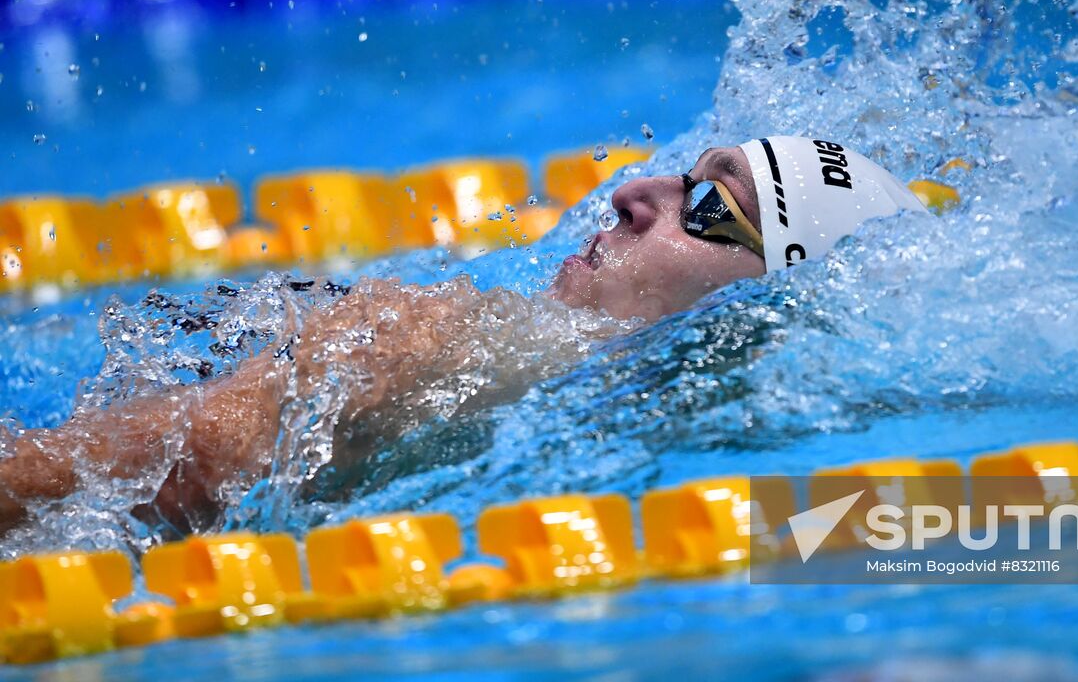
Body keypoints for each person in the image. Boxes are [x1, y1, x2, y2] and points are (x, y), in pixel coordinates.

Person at [0, 137, 926, 535]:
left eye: (711, 204)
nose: (637, 194)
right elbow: (98, 471)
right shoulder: (433, 335)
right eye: (684, 175)